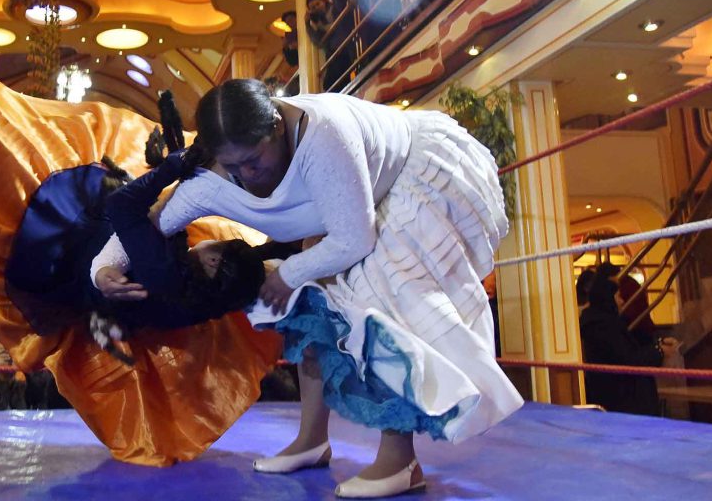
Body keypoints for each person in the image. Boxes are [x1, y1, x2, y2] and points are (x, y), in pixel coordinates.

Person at [96, 80, 523, 498]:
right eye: (233, 165)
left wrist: (289, 273)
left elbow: (355, 240)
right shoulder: (210, 179)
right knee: (310, 311)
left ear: (277, 126)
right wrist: (103, 268)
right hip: (341, 217)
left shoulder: (324, 136)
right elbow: (149, 223)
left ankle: (400, 462)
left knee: (384, 307)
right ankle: (311, 441)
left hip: (407, 179)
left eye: (254, 159)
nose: (246, 174)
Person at [0, 48, 281, 466]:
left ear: (212, 264)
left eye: (218, 249)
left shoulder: (166, 269)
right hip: (68, 267)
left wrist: (170, 170)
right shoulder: (190, 297)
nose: (211, 243)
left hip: (70, 234)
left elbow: (131, 211)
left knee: (17, 147)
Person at [579, 262, 678, 416]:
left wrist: (658, 346)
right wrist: (659, 351)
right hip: (625, 405)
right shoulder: (603, 326)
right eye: (618, 296)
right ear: (608, 296)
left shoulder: (600, 322)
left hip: (622, 403)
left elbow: (627, 352)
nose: (622, 301)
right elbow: (628, 360)